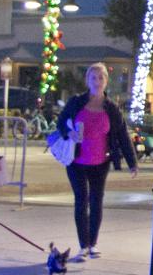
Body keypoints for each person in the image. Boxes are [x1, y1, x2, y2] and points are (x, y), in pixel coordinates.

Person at [52, 63, 137, 262]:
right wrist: (69, 132)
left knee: (96, 201)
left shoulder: (111, 108)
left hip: (100, 162)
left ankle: (93, 244)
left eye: (101, 78)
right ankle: (83, 245)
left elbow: (122, 134)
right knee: (81, 200)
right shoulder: (76, 102)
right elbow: (61, 122)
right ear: (87, 81)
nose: (97, 82)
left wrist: (132, 161)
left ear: (106, 81)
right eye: (93, 78)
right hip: (77, 161)